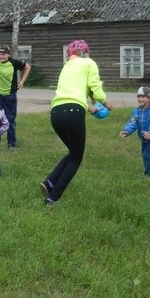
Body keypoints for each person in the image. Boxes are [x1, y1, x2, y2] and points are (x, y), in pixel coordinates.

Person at [41, 40, 111, 206]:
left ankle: (50, 182)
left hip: (56, 113)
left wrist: (91, 107)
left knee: (73, 152)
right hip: (73, 113)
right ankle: (52, 198)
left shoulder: (66, 67)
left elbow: (73, 94)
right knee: (77, 157)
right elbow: (95, 86)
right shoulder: (89, 63)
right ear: (85, 52)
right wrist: (105, 101)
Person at [0, 45, 31, 151]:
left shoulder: (14, 63)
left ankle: (12, 143)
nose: (0, 56)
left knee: (10, 120)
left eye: (3, 54)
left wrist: (22, 81)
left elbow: (27, 67)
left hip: (10, 95)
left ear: (8, 54)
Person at [119, 86, 150, 179]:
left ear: (149, 99)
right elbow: (132, 123)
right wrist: (126, 131)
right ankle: (148, 172)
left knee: (146, 155)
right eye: (139, 96)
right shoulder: (136, 111)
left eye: (143, 97)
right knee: (145, 155)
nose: (140, 99)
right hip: (144, 137)